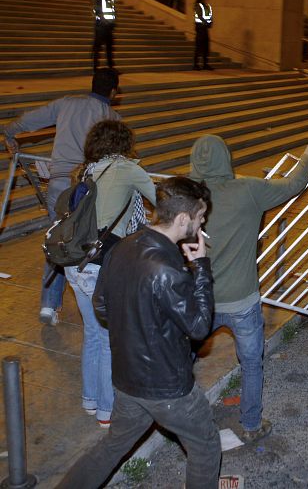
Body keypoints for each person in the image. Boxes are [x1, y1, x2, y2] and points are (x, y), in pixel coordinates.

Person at [56, 177, 220, 489]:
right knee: (206, 445)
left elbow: (100, 305)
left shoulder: (122, 246)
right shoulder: (168, 268)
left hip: (127, 380)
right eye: (200, 217)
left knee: (112, 446)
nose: (202, 223)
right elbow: (199, 326)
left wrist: (139, 326)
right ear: (183, 219)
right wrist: (201, 270)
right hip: (167, 387)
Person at [188, 135, 308, 440]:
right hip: (242, 301)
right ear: (227, 158)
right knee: (251, 365)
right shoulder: (248, 190)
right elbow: (292, 185)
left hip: (200, 301)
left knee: (183, 362)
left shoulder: (184, 197)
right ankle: (250, 425)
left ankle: (186, 424)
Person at [2, 68, 121, 326]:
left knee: (58, 239)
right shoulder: (110, 117)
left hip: (59, 184)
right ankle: (95, 301)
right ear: (113, 92)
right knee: (91, 242)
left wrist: (10, 132)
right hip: (89, 189)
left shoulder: (67, 103)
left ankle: (48, 304)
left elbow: (32, 119)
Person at [65, 120, 156, 428]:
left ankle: (90, 401)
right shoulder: (127, 169)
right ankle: (107, 412)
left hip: (74, 263)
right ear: (124, 143)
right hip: (102, 262)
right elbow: (161, 201)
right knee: (107, 339)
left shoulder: (84, 170)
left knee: (91, 334)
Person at [92, 0, 116, 71]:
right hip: (101, 27)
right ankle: (95, 67)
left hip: (109, 28)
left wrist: (113, 23)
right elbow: (97, 12)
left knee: (110, 49)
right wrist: (104, 22)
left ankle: (111, 67)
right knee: (98, 48)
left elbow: (113, 12)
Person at [194, 0, 213, 70]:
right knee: (199, 47)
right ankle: (196, 65)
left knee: (206, 47)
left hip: (205, 29)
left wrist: (211, 23)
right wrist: (206, 23)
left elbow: (210, 16)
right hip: (200, 28)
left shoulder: (208, 6)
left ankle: (205, 64)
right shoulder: (198, 5)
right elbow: (200, 16)